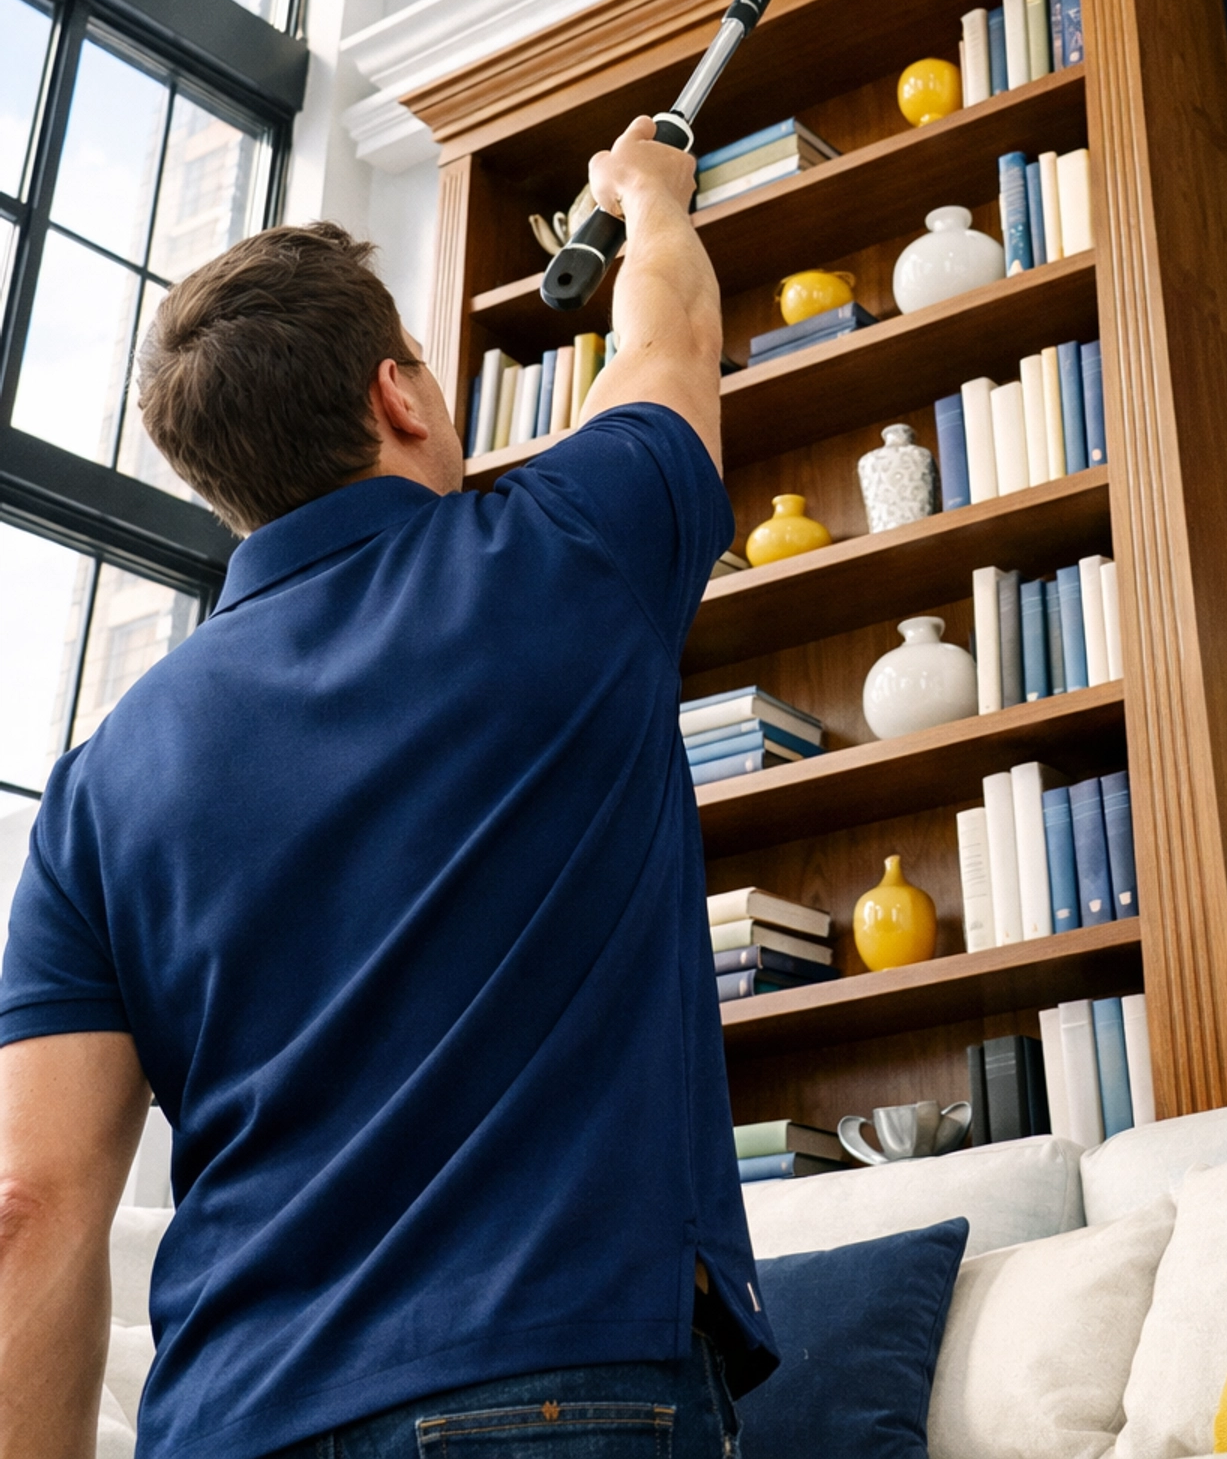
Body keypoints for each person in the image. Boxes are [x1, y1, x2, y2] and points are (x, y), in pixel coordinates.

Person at [0, 116, 776, 1459]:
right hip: (553, 1386)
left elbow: (30, 1198)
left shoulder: (96, 783)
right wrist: (649, 197)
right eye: (421, 354)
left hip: (228, 1428)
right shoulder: (568, 550)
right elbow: (668, 341)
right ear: (398, 396)